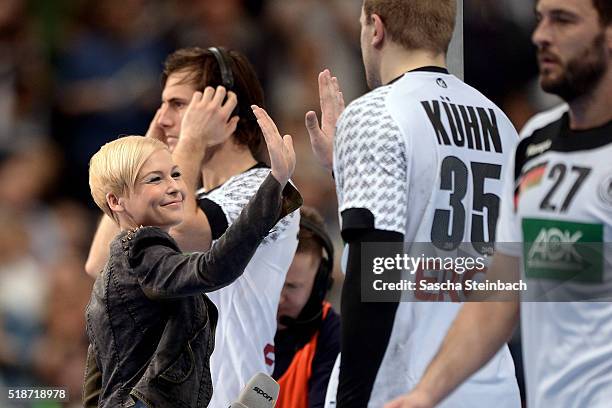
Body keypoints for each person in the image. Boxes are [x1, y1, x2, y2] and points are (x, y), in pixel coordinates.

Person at [385, 0, 612, 407]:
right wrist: (425, 394)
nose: (541, 35)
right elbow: (500, 293)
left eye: (563, 20)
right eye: (540, 18)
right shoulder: (534, 143)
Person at [302, 0, 523, 406]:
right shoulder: (502, 124)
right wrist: (346, 169)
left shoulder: (376, 113)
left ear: (376, 28)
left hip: (404, 387)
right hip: (492, 386)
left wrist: (351, 399)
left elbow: (376, 267)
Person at [84, 47, 301, 406]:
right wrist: (138, 167)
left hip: (232, 392)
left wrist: (189, 142)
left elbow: (184, 231)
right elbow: (103, 265)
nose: (163, 118)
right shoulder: (184, 196)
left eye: (178, 104)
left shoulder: (265, 187)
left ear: (222, 108)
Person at [273, 206, 341, 408]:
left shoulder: (333, 337)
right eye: (272, 283)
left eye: (291, 286)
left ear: (319, 285)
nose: (278, 299)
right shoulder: (223, 320)